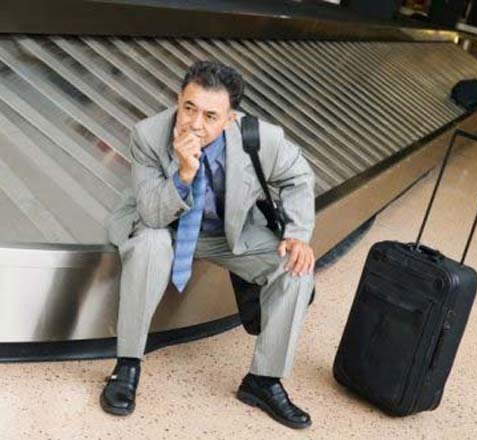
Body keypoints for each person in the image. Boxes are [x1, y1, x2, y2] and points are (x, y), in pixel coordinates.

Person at [101, 61, 316, 430]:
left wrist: (298, 233)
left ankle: (263, 381)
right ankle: (127, 365)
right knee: (149, 246)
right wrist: (184, 173)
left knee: (296, 268)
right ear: (178, 100)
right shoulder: (148, 136)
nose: (195, 123)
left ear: (230, 119)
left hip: (229, 235)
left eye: (210, 115)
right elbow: (152, 213)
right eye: (189, 108)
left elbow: (299, 176)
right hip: (164, 226)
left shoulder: (260, 138)